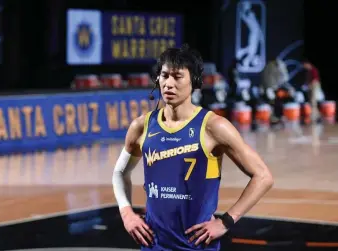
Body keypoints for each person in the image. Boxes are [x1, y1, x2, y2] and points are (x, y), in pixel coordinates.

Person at [112, 44, 274, 250]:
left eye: (177, 77)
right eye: (164, 75)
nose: (168, 83)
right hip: (154, 245)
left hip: (198, 246)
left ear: (194, 81)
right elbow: (119, 172)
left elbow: (263, 176)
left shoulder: (214, 127)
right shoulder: (141, 126)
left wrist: (226, 222)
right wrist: (127, 214)